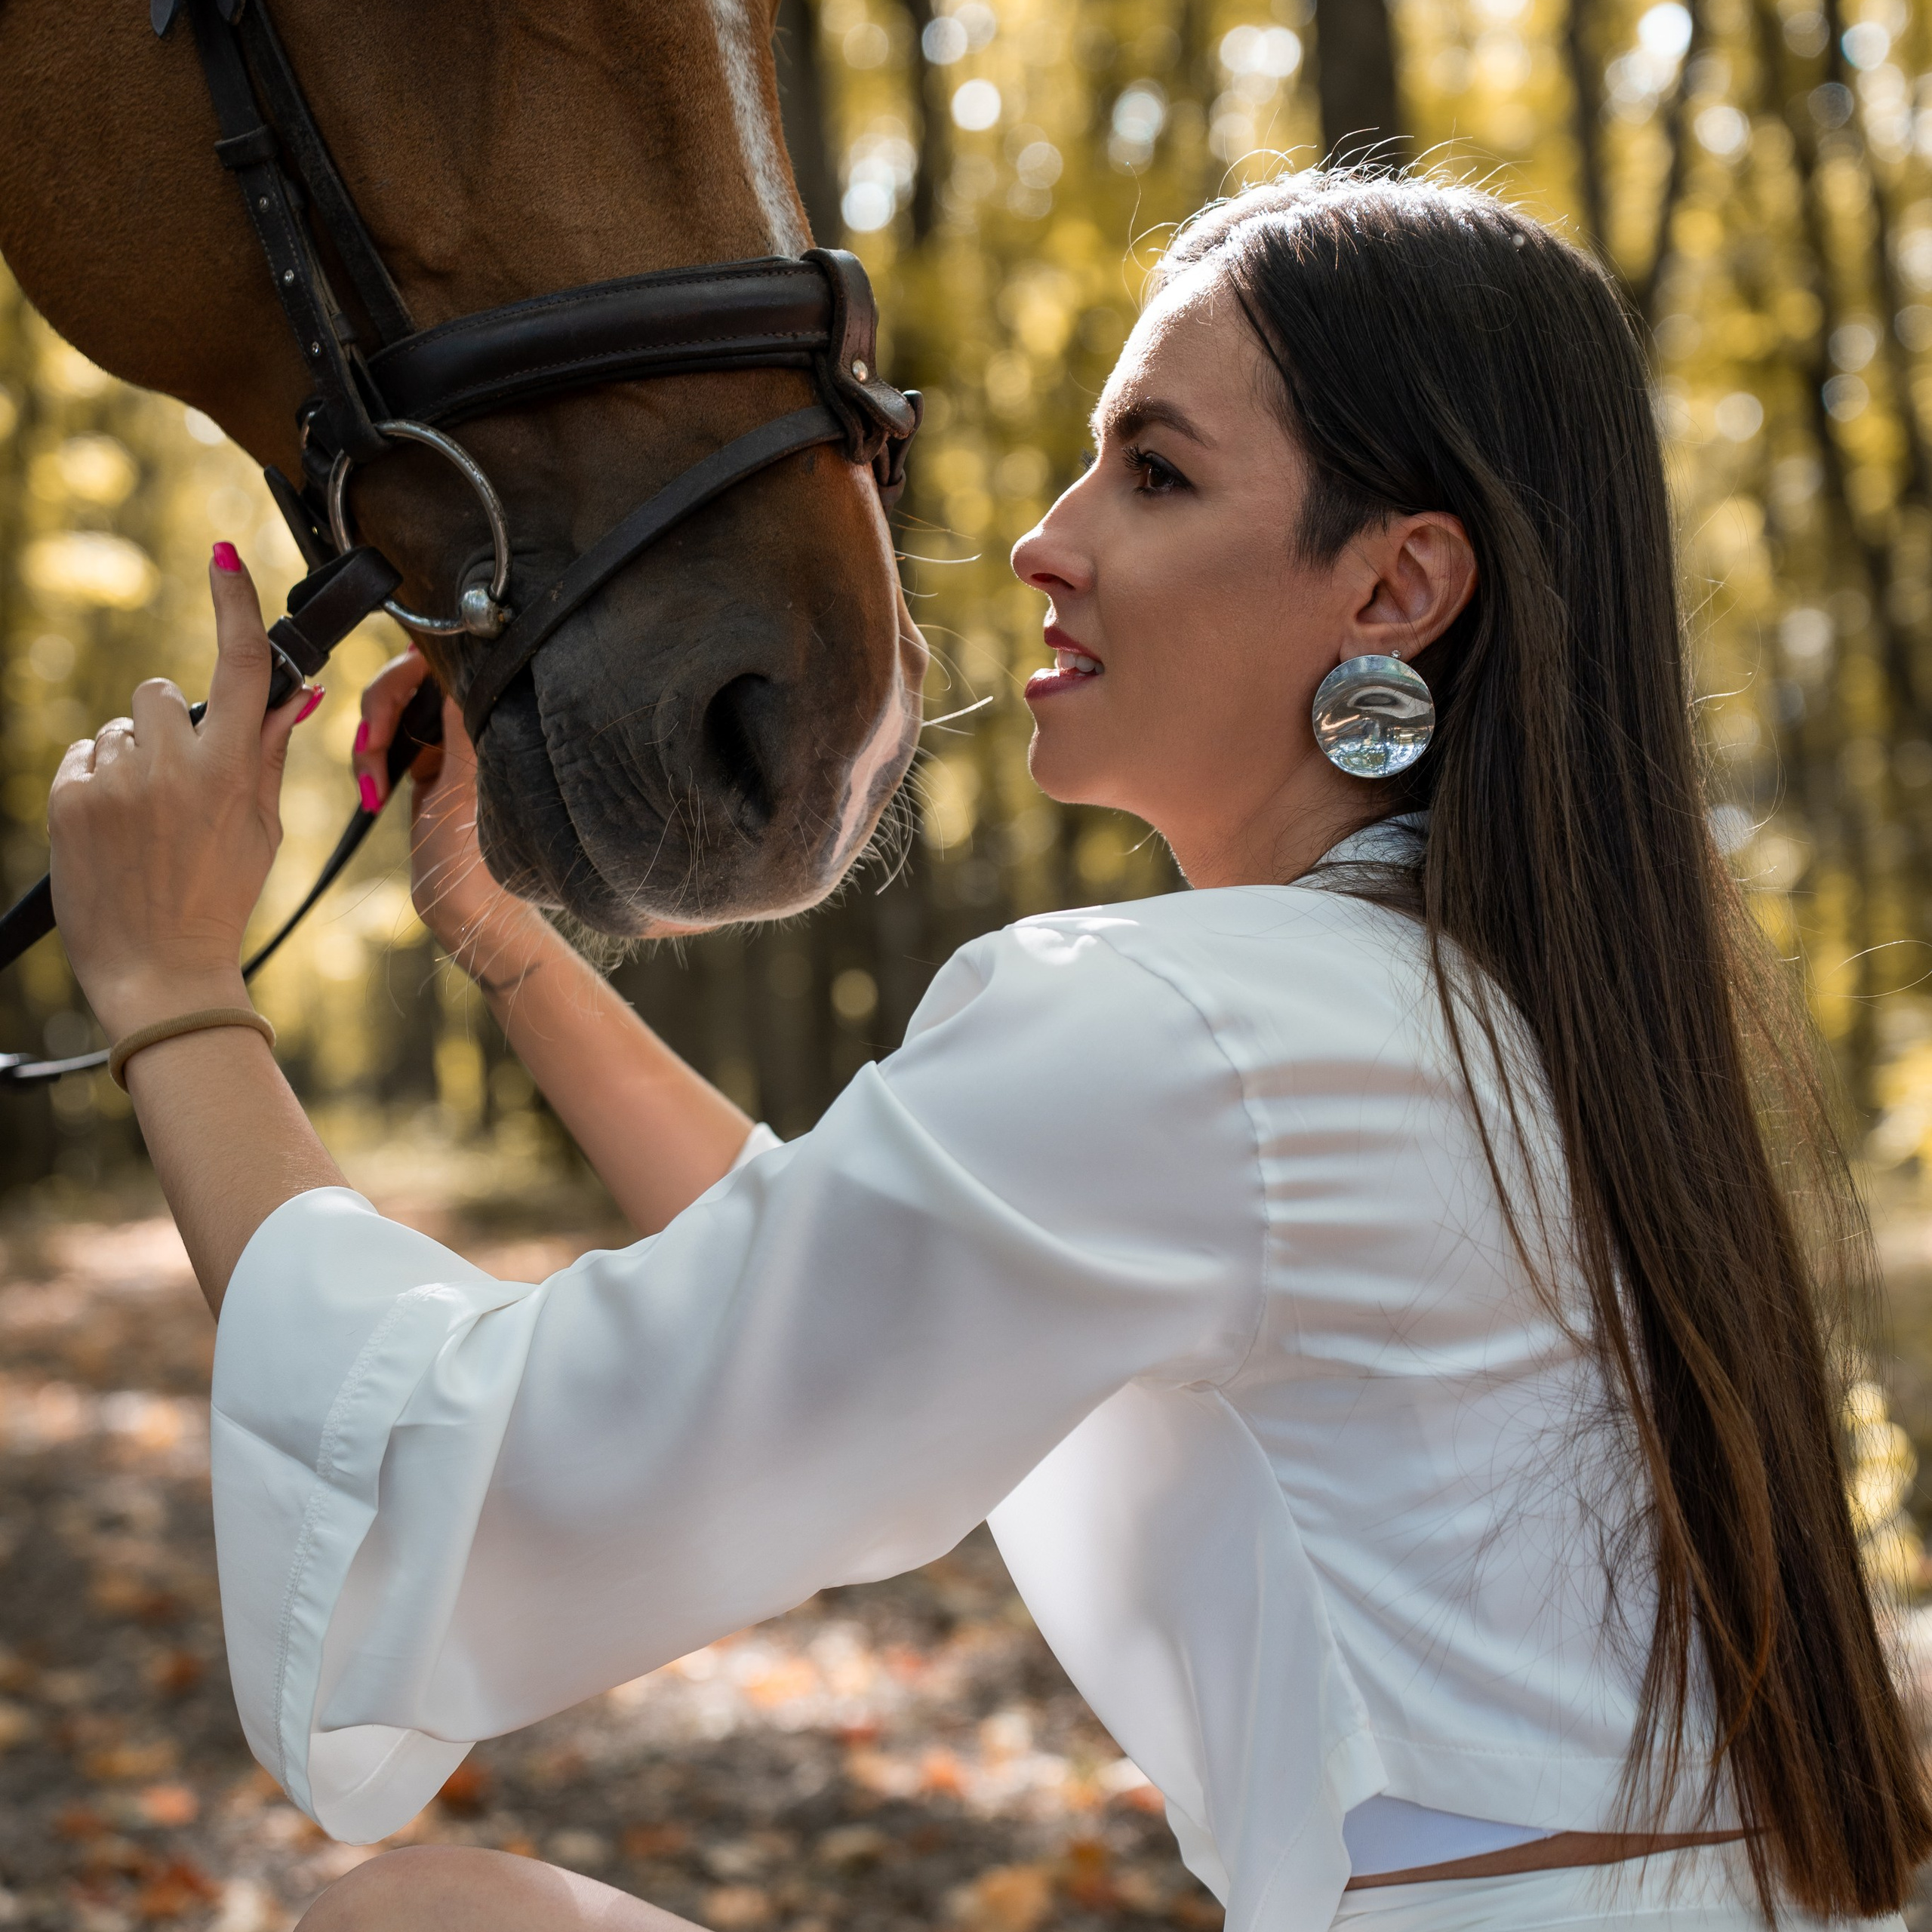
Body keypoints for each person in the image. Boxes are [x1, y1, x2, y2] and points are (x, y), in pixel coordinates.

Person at [45, 169, 1930, 1930]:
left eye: (1155, 476)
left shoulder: (1201, 1022)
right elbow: (846, 1274)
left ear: (1390, 589)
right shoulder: (1506, 1020)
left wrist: (171, 984)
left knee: (414, 1915)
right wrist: (504, 938)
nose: (1044, 540)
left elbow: (501, 1475)